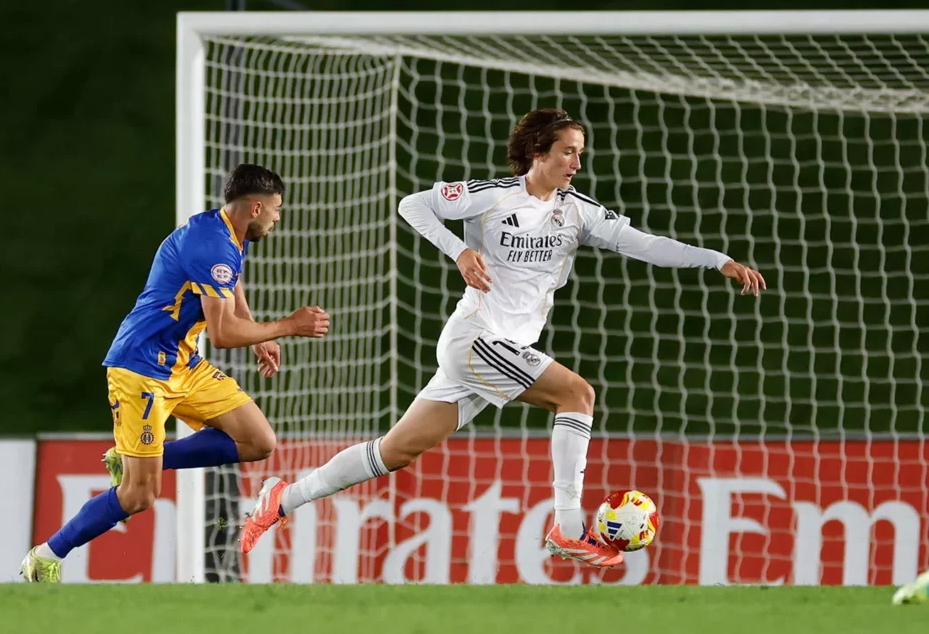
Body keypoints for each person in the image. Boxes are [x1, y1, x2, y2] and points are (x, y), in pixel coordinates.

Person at [239, 108, 765, 568]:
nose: (576, 164)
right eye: (567, 152)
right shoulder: (491, 197)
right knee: (577, 395)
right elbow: (413, 205)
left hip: (493, 350)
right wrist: (459, 251)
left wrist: (717, 260)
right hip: (475, 339)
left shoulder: (576, 211)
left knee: (395, 450)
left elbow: (644, 244)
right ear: (538, 152)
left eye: (580, 154)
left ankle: (282, 499)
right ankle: (566, 525)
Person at [21, 163, 330, 582]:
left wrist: (256, 331)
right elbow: (220, 334)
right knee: (139, 495)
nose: (277, 218)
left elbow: (230, 283)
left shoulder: (229, 232)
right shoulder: (211, 244)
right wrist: (286, 326)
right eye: (275, 210)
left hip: (182, 363)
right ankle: (45, 555)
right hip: (141, 368)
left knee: (259, 439)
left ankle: (137, 458)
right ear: (256, 206)